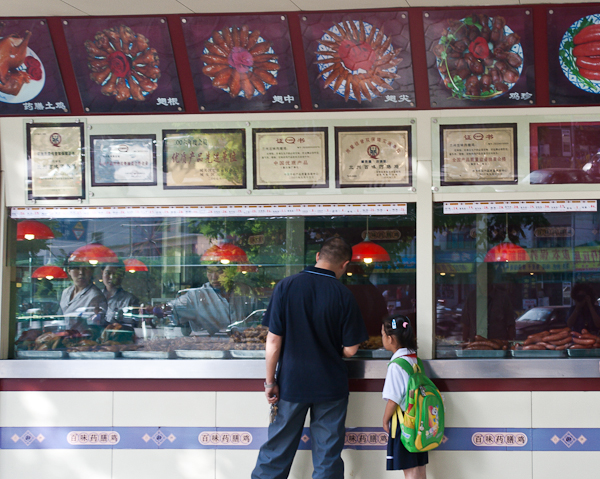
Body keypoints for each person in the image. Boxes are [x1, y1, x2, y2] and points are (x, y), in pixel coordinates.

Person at [251, 236, 368, 479]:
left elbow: (273, 341)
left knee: (276, 451)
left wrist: (270, 382)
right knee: (327, 456)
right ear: (345, 265)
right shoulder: (344, 295)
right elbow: (351, 349)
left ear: (317, 256)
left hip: (291, 384)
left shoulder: (286, 286)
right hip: (330, 386)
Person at [381, 315, 428, 479]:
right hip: (419, 421)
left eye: (382, 335)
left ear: (390, 338)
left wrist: (385, 419)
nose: (382, 339)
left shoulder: (396, 365)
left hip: (404, 424)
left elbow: (393, 398)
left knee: (410, 470)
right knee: (420, 469)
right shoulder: (415, 360)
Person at [170, 263, 257, 335]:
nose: (214, 277)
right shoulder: (195, 295)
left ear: (231, 273)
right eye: (210, 272)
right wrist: (165, 309)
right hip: (209, 346)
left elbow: (258, 318)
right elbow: (172, 308)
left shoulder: (245, 291)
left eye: (220, 272)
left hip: (243, 343)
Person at [57, 262, 107, 331]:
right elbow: (60, 317)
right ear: (69, 271)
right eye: (77, 268)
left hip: (83, 338)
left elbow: (94, 326)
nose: (81, 272)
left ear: (91, 271)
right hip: (65, 336)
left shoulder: (95, 296)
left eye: (85, 268)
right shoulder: (66, 292)